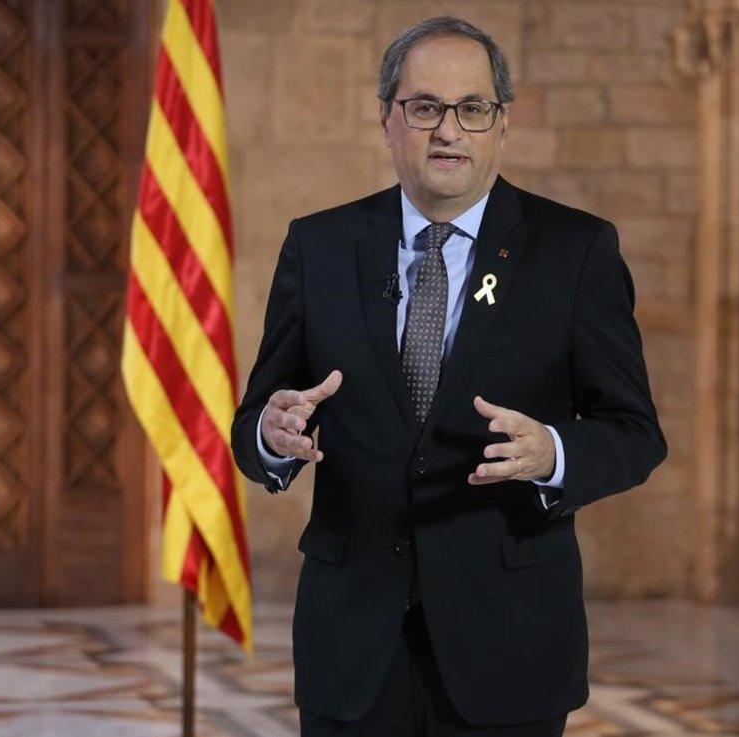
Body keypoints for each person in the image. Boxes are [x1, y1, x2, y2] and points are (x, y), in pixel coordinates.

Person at [231, 16, 666, 737]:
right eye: (425, 107)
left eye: (473, 108)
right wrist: (273, 435)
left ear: (502, 123)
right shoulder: (320, 246)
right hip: (353, 645)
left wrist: (554, 453)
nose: (448, 131)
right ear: (387, 119)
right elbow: (255, 426)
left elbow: (636, 432)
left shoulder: (574, 251)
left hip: (510, 644)